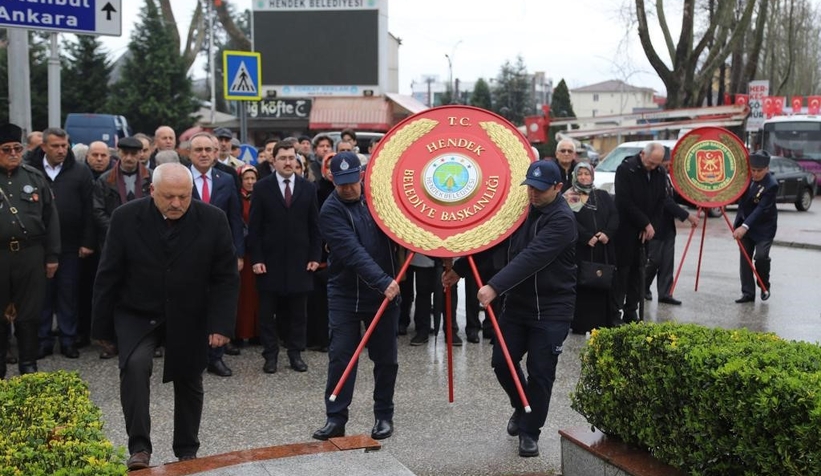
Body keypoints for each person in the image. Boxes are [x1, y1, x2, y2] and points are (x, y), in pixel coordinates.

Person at [91, 163, 240, 471]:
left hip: (189, 310)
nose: (176, 203)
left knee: (189, 375)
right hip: (137, 310)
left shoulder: (213, 219)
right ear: (152, 190)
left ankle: (187, 449)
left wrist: (221, 325)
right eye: (169, 196)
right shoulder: (125, 217)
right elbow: (108, 273)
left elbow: (225, 277)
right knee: (134, 366)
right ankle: (139, 447)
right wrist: (101, 328)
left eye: (184, 197)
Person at [443, 159, 577, 458]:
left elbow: (533, 257)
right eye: (530, 187)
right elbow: (495, 242)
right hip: (517, 305)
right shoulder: (521, 211)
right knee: (502, 362)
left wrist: (494, 286)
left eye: (540, 189)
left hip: (552, 308)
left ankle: (530, 431)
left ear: (558, 187)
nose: (533, 194)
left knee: (540, 373)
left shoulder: (563, 220)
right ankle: (521, 404)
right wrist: (460, 270)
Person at [312, 152, 400, 442]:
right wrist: (382, 281)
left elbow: (405, 228)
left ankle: (383, 415)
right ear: (332, 180)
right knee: (341, 356)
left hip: (384, 296)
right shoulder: (330, 211)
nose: (348, 188)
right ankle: (335, 418)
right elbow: (352, 252)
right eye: (341, 183)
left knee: (386, 359)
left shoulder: (379, 199)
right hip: (346, 294)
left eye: (352, 181)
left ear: (361, 175)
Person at [248, 141, 321, 374]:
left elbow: (314, 225)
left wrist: (315, 255)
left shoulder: (308, 188)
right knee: (267, 313)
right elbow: (254, 228)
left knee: (298, 313)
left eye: (291, 158)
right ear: (274, 160)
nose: (288, 162)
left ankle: (295, 354)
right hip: (269, 262)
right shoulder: (262, 187)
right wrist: (257, 258)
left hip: (300, 261)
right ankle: (270, 355)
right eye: (283, 158)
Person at [28, 127, 96, 360]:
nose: (61, 150)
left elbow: (89, 209)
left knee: (68, 293)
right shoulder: (32, 171)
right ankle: (43, 340)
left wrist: (87, 241)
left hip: (71, 245)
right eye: (55, 146)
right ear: (44, 147)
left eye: (64, 146)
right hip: (39, 246)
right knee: (43, 294)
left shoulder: (80, 171)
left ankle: (68, 339)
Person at [0, 123, 60, 379]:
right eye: (6, 149)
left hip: (30, 254)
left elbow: (51, 218)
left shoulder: (34, 178)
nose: (14, 153)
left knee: (29, 312)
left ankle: (28, 364)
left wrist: (52, 256)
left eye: (17, 148)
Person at [188, 133, 245, 376]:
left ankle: (216, 357)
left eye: (208, 150)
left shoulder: (227, 179)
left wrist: (239, 253)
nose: (203, 154)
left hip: (219, 254)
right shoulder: (181, 178)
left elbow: (235, 218)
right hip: (187, 254)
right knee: (191, 303)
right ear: (189, 154)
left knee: (218, 302)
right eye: (198, 149)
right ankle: (193, 355)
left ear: (215, 153)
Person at [612, 142, 669, 323]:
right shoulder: (626, 169)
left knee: (638, 273)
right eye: (651, 163)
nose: (653, 167)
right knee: (622, 272)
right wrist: (645, 223)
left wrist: (651, 225)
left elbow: (661, 201)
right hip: (625, 229)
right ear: (643, 154)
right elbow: (624, 201)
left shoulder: (660, 172)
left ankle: (631, 310)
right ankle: (615, 312)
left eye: (657, 164)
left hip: (645, 232)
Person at [563, 163, 620, 333]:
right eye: (580, 174)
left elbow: (614, 215)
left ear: (592, 176)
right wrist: (587, 237)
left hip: (603, 248)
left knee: (603, 281)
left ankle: (604, 321)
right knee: (584, 283)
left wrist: (607, 233)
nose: (583, 177)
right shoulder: (572, 195)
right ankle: (582, 324)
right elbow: (570, 219)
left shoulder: (601, 195)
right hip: (583, 249)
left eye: (586, 174)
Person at [645, 155, 699, 305]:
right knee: (654, 260)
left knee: (667, 262)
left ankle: (665, 293)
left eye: (670, 165)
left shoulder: (666, 178)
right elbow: (666, 201)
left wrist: (696, 201)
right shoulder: (653, 178)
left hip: (668, 227)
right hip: (654, 226)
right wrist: (687, 216)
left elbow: (675, 196)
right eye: (666, 164)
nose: (668, 167)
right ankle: (643, 286)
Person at [733, 150, 778, 303]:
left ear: (767, 169)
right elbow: (736, 196)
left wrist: (744, 227)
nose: (756, 174)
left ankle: (764, 283)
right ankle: (748, 293)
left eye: (759, 171)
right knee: (745, 258)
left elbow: (760, 209)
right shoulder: (745, 179)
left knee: (761, 257)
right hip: (744, 223)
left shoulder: (771, 185)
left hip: (764, 228)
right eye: (753, 170)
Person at [234, 165, 259, 348]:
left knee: (257, 296)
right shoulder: (236, 198)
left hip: (257, 253)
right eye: (246, 179)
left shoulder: (261, 196)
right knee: (241, 296)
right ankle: (239, 332)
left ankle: (256, 333)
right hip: (242, 253)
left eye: (253, 178)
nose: (250, 182)